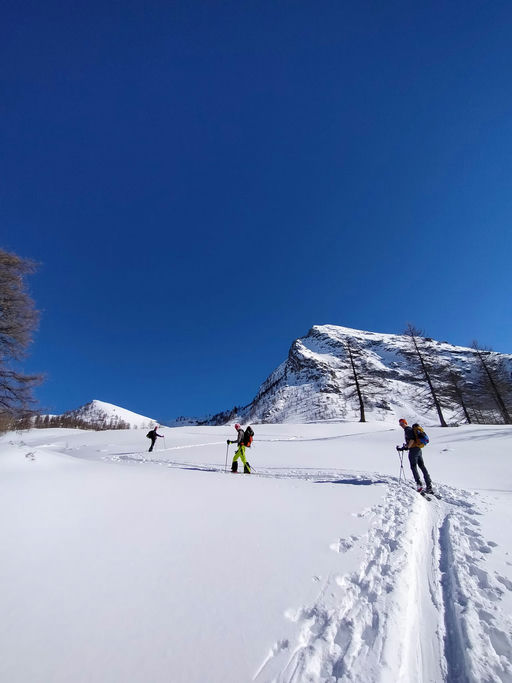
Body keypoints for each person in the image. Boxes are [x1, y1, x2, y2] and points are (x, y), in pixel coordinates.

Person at [397, 418, 433, 493]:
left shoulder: (407, 430)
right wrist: (405, 446)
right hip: (418, 449)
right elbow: (412, 440)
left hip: (413, 451)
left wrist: (407, 447)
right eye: (400, 424)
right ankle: (429, 484)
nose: (401, 425)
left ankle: (419, 484)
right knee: (422, 466)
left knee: (413, 467)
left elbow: (412, 440)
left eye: (402, 423)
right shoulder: (411, 430)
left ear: (405, 423)